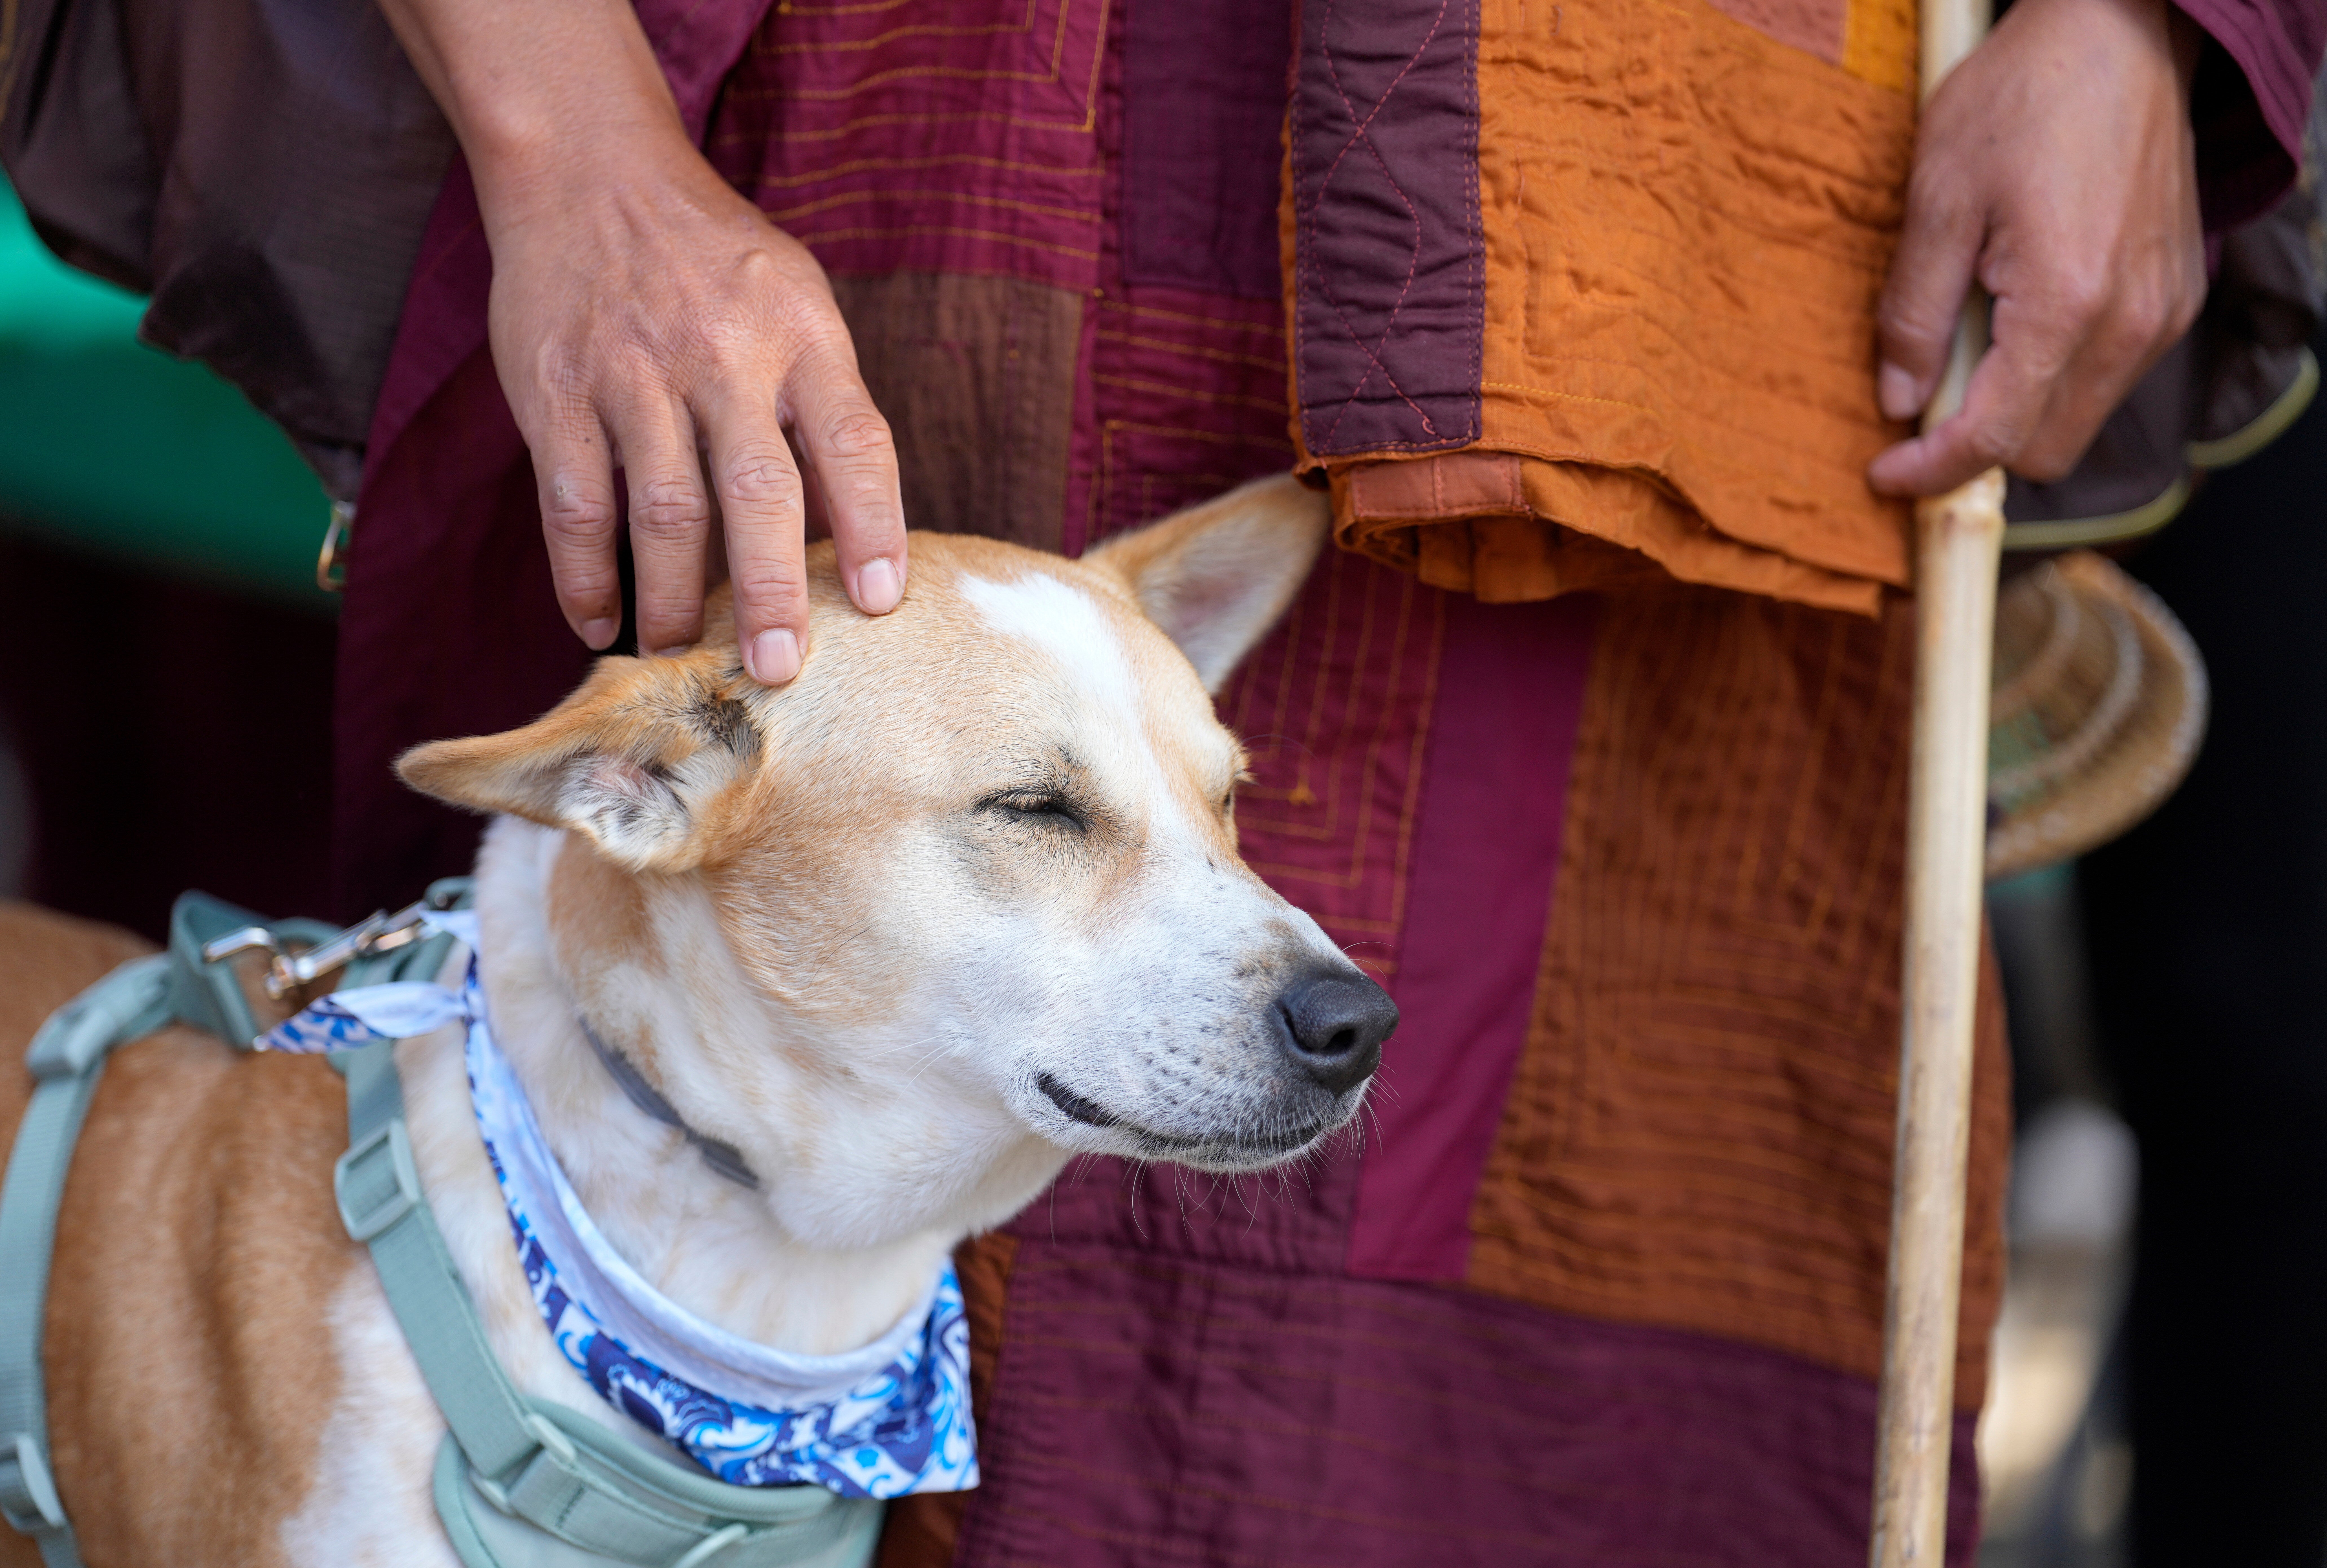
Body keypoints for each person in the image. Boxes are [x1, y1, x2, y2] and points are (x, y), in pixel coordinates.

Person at [4, 0, 2319, 1560]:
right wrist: (572, 138)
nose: (1313, 955)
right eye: (1059, 819)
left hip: (1722, 295)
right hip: (911, 158)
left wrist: (2132, 15)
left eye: (1208, 812)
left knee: (1617, 1379)